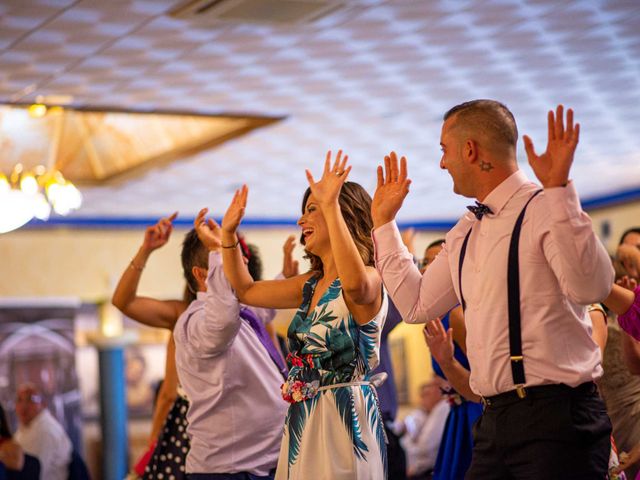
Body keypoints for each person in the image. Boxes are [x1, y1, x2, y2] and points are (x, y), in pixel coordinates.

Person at [372, 101, 614, 478]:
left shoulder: (544, 206)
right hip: (493, 422)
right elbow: (417, 305)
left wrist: (560, 192)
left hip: (557, 421)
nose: (441, 163)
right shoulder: (465, 231)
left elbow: (593, 286)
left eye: (444, 151)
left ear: (470, 151)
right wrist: (384, 224)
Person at [220, 151, 388, 479]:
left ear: (343, 214)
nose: (301, 221)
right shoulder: (310, 285)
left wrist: (329, 204)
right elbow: (247, 291)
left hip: (346, 420)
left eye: (312, 210)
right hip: (305, 420)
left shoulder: (371, 275)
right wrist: (227, 237)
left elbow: (354, 287)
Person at [173, 211, 288, 479]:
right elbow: (222, 322)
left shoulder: (240, 311)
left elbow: (261, 310)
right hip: (229, 471)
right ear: (203, 274)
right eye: (231, 258)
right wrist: (217, 249)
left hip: (261, 465)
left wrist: (286, 276)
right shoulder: (197, 321)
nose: (243, 262)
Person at [420, 239, 482, 480]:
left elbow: (482, 375)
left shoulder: (459, 315)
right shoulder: (433, 316)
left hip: (475, 411)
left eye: (434, 262)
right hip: (456, 413)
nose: (425, 269)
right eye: (423, 262)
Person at [14, 384, 72, 480]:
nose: (23, 406)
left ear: (43, 404)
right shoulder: (27, 427)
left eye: (30, 400)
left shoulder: (46, 431)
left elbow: (31, 474)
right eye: (19, 400)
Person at [401, 379, 450, 480]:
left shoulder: (442, 409)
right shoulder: (419, 415)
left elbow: (424, 448)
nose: (423, 399)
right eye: (422, 395)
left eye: (427, 394)